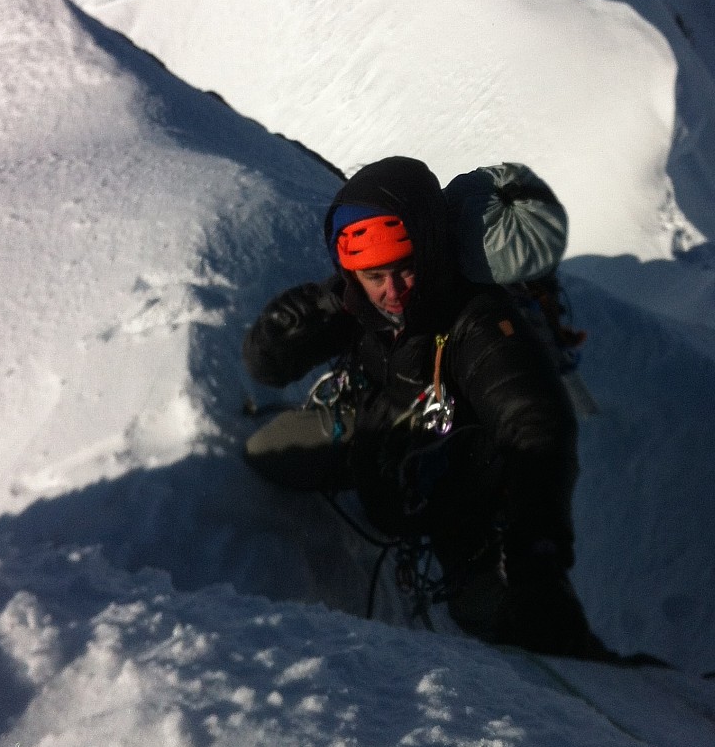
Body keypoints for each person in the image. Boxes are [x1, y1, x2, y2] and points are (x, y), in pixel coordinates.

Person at [243, 155, 614, 659]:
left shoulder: (479, 324)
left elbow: (534, 428)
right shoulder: (356, 300)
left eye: (406, 270)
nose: (392, 292)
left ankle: (596, 670)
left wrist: (538, 552)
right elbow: (270, 365)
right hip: (379, 444)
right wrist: (278, 338)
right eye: (375, 276)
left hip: (461, 503)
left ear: (432, 251)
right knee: (267, 448)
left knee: (509, 619)